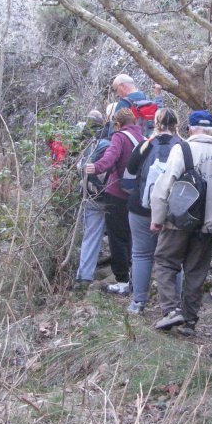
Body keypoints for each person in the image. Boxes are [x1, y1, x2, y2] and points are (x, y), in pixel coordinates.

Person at [149, 109, 212, 336]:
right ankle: (189, 322)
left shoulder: (182, 149)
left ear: (190, 128)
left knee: (165, 262)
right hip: (209, 224)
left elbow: (164, 184)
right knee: (196, 272)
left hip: (178, 221)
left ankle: (170, 311)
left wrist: (158, 218)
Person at [123, 108, 182, 314]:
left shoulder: (144, 146)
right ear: (176, 123)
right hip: (173, 210)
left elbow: (129, 174)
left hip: (141, 207)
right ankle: (175, 305)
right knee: (173, 258)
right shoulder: (183, 146)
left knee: (141, 254)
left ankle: (138, 302)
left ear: (155, 123)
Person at [84, 108, 144, 295]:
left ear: (117, 124)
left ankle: (121, 280)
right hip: (136, 195)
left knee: (117, 238)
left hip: (117, 193)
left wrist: (95, 167)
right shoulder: (142, 138)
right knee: (132, 236)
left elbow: (111, 157)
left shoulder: (119, 136)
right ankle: (135, 277)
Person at [74, 110, 108, 288]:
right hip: (107, 196)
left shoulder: (93, 144)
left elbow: (80, 167)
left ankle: (83, 276)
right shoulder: (110, 143)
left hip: (89, 194)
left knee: (90, 236)